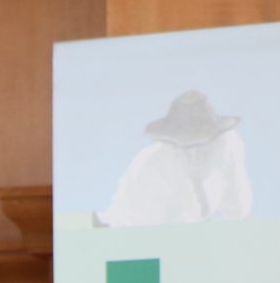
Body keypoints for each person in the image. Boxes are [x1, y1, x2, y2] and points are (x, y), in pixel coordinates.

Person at [100, 92, 252, 227]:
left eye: (202, 146)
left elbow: (238, 213)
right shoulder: (149, 169)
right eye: (186, 148)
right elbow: (149, 235)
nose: (195, 157)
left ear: (216, 140)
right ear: (172, 145)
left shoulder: (230, 147)